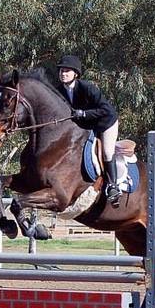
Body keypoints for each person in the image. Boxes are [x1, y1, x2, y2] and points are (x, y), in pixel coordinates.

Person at [55, 54, 122, 206]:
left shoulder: (87, 88)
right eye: (61, 71)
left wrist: (84, 113)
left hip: (105, 122)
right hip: (85, 126)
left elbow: (105, 109)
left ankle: (113, 186)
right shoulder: (58, 90)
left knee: (106, 151)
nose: (63, 73)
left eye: (67, 71)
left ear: (76, 74)